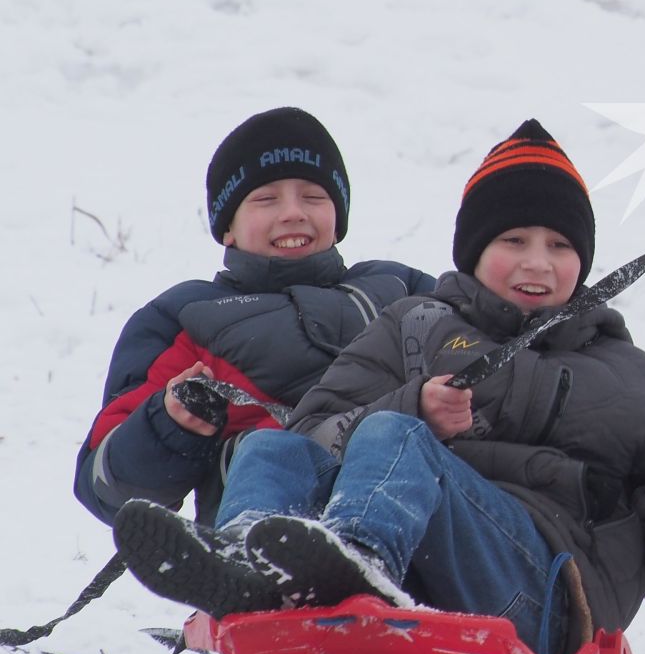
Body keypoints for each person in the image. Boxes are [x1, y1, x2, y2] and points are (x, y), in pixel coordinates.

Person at [115, 119, 645, 654]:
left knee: (398, 437)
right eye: (513, 241)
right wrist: (410, 403)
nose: (538, 262)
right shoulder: (412, 326)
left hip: (541, 594)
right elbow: (313, 431)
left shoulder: (635, 377)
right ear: (472, 253)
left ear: (582, 263)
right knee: (273, 448)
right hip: (419, 569)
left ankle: (350, 563)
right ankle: (246, 562)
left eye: (559, 246)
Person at [75, 108, 437, 527]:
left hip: (404, 513)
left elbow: (481, 355)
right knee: (265, 451)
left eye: (314, 197)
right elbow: (102, 483)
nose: (293, 213)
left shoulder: (400, 288)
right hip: (269, 519)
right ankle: (255, 562)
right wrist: (169, 425)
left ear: (338, 220)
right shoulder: (185, 318)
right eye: (266, 199)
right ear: (227, 227)